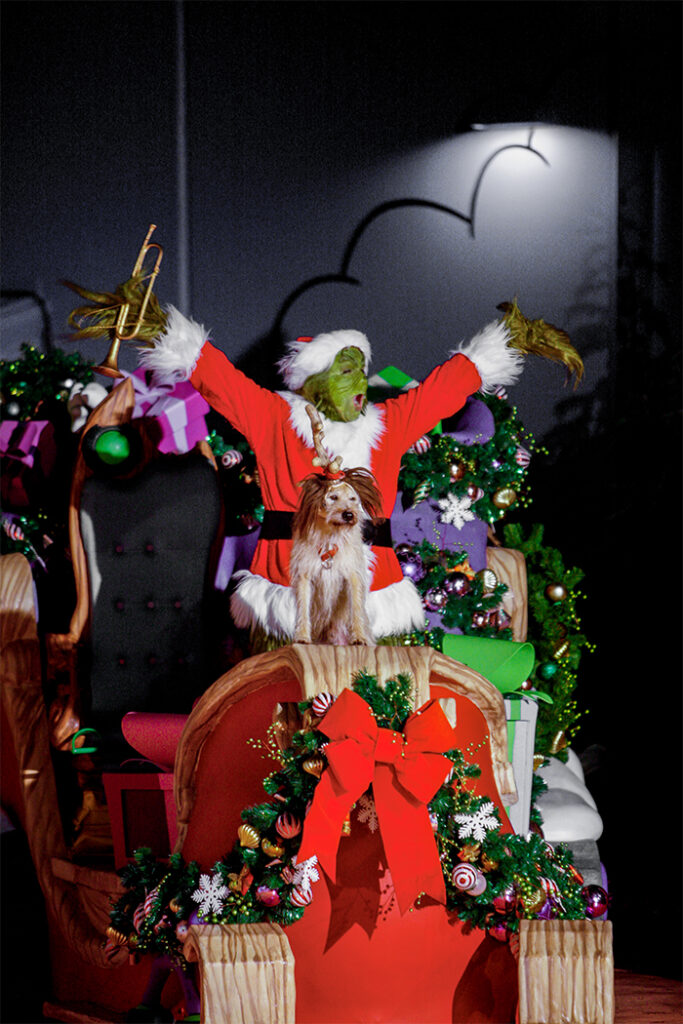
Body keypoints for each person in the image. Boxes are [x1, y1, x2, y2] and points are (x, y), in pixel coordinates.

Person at [138, 308, 524, 647]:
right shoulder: (275, 417)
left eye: (361, 371)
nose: (360, 383)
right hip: (288, 599)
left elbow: (441, 391)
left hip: (373, 601)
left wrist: (497, 346)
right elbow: (221, 381)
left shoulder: (388, 424)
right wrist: (166, 330)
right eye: (347, 371)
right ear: (313, 381)